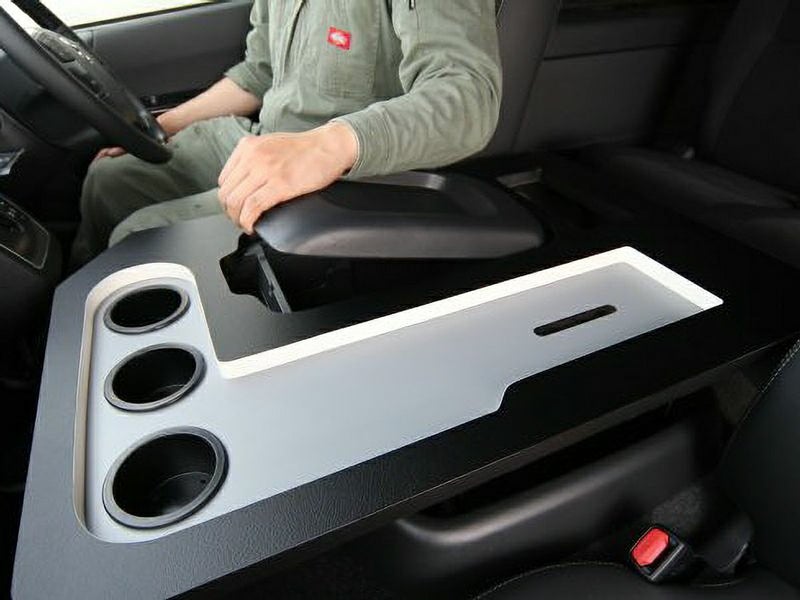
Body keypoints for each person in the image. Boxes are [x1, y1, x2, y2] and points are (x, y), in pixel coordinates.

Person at [71, 0, 502, 264]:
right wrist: (161, 127)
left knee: (140, 240)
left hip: (346, 171)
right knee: (107, 182)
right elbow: (259, 72)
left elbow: (468, 98)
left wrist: (323, 147)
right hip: (265, 139)